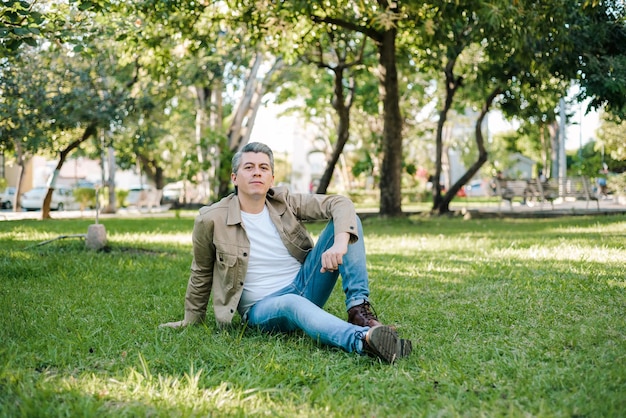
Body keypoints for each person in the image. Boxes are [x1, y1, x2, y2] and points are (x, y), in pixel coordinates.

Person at [161, 142, 411, 363]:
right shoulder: (211, 218)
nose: (257, 172)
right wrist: (191, 318)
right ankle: (363, 341)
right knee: (292, 303)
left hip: (305, 284)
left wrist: (340, 244)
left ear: (271, 178)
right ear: (235, 178)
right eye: (249, 167)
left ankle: (359, 313)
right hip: (261, 308)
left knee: (348, 220)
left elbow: (341, 204)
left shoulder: (284, 201)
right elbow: (201, 271)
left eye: (263, 167)